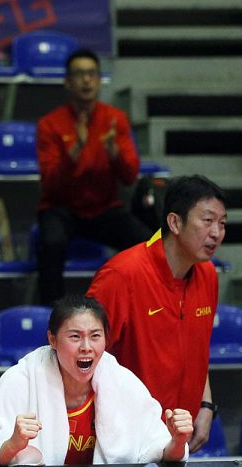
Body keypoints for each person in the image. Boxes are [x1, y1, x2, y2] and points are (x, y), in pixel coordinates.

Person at [0, 296, 192, 467]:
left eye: (95, 336)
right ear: (52, 339)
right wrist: (12, 444)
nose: (86, 347)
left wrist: (178, 441)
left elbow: (158, 451)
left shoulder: (122, 382)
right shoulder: (19, 381)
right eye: (75, 336)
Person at [87, 174, 226, 453]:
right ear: (175, 222)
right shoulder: (122, 275)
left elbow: (199, 346)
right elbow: (80, 355)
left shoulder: (208, 274)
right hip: (124, 440)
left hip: (178, 438)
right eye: (207, 220)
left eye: (222, 223)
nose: (217, 233)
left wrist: (206, 405)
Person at [35, 49, 151, 304]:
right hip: (62, 208)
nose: (86, 80)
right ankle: (53, 318)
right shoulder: (50, 124)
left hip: (104, 208)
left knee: (150, 245)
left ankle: (144, 308)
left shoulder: (115, 119)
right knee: (51, 243)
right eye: (78, 74)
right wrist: (73, 153)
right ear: (68, 81)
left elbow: (130, 176)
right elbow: (50, 185)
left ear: (99, 80)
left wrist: (115, 154)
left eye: (91, 74)